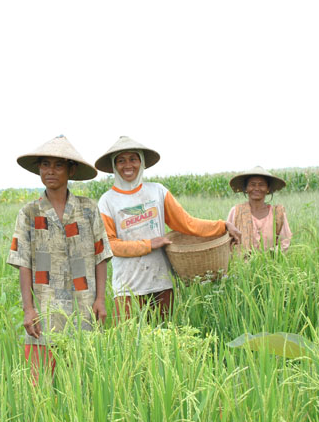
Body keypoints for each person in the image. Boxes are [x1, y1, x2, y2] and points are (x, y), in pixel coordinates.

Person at [95, 137, 241, 322]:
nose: (127, 165)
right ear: (114, 166)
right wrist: (149, 244)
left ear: (142, 162)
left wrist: (222, 226)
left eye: (133, 159)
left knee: (166, 333)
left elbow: (186, 223)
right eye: (121, 160)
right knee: (130, 340)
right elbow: (111, 244)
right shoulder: (107, 201)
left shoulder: (157, 192)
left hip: (161, 279)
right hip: (128, 283)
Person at [7, 135, 112, 380]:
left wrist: (100, 299)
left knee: (83, 382)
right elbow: (23, 263)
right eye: (45, 164)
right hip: (44, 310)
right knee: (40, 385)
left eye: (58, 165)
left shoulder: (88, 209)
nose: (50, 171)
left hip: (84, 307)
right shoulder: (29, 213)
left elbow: (100, 256)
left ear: (71, 169)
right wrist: (28, 309)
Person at [227, 166, 292, 253]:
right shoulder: (236, 211)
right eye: (252, 184)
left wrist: (271, 254)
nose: (257, 188)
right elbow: (227, 240)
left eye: (261, 185)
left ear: (268, 189)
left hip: (271, 264)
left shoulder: (277, 213)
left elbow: (285, 241)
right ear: (246, 188)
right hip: (242, 265)